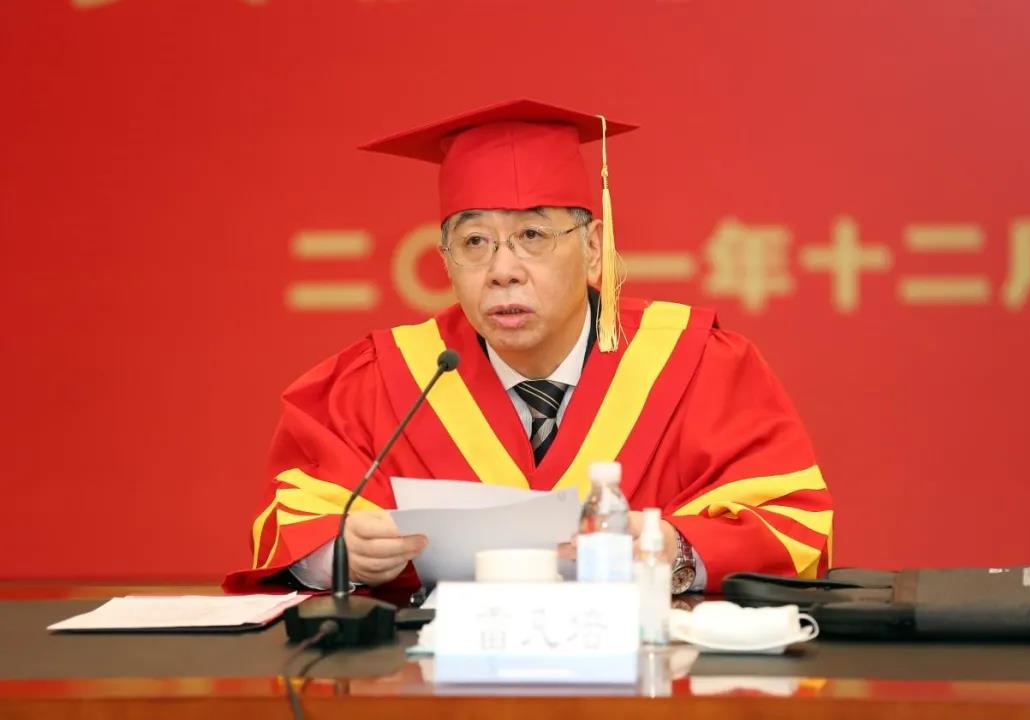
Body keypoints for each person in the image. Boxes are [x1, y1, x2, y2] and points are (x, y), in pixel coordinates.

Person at [223, 100, 833, 595]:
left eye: (533, 236)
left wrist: (675, 550)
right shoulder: (382, 381)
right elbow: (292, 520)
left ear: (592, 248)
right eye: (475, 243)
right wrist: (338, 552)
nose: (502, 270)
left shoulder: (700, 366)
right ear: (445, 261)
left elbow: (792, 521)